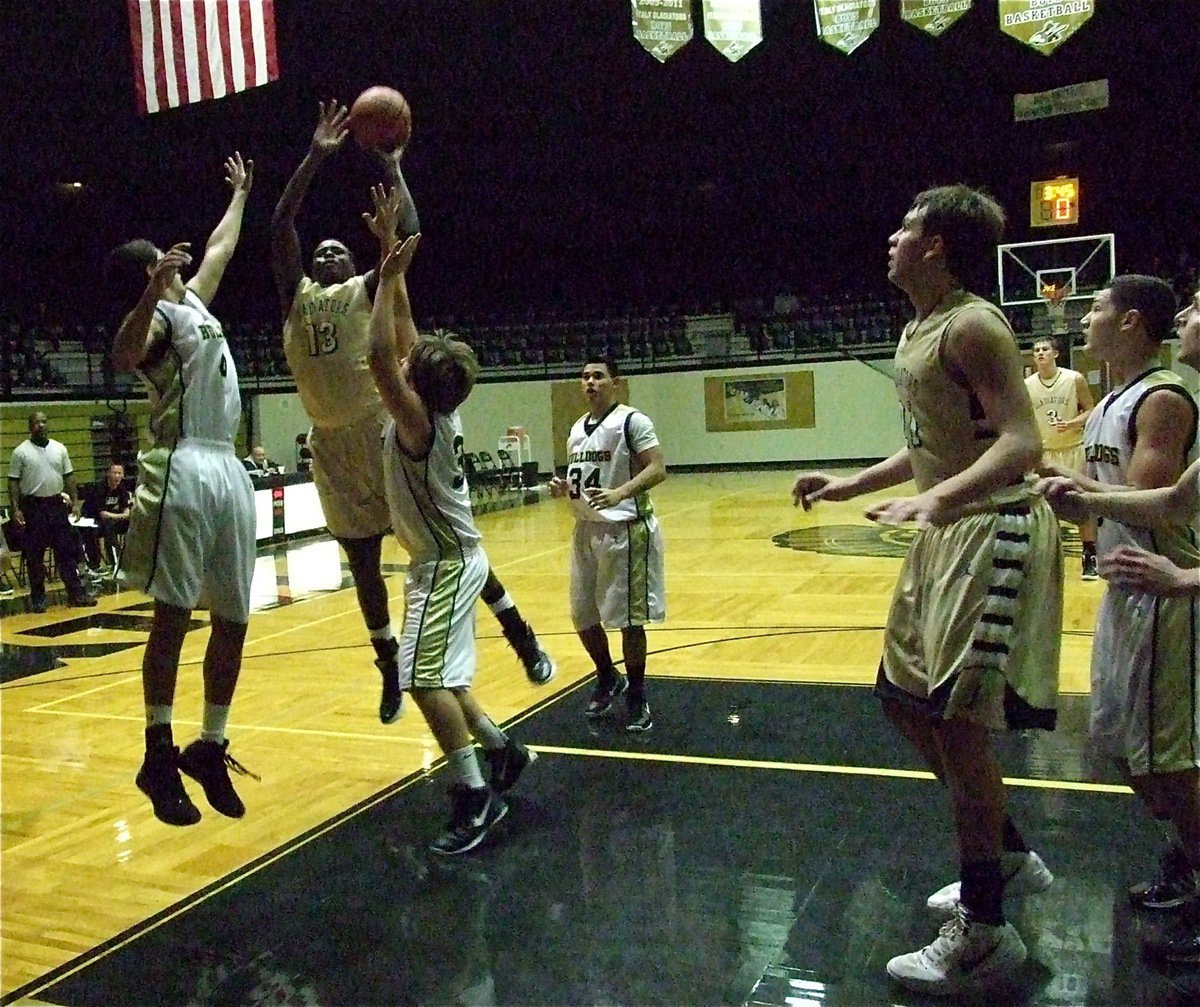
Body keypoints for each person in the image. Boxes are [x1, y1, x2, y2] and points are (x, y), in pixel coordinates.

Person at [792, 185, 1062, 996]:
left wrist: (940, 499)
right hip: (947, 532)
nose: (892, 235)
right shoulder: (919, 328)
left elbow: (1023, 438)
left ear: (938, 245)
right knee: (901, 698)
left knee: (959, 726)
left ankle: (984, 925)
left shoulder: (975, 324)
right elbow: (930, 445)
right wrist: (849, 483)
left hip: (993, 530)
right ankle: (1007, 852)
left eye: (906, 226)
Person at [271, 102, 553, 727]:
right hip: (329, 442)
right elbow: (281, 224)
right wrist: (316, 155)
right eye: (319, 253)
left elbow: (411, 238)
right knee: (363, 563)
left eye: (337, 252)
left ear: (355, 266)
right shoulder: (297, 299)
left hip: (383, 429)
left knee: (440, 543)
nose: (324, 257)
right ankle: (386, 665)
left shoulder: (367, 288)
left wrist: (394, 170)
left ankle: (518, 629)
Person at [1038, 275, 1199, 958]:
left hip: (1166, 596)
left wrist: (1080, 491)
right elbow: (1113, 503)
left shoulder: (1162, 398)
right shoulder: (1109, 399)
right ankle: (1187, 855)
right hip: (1127, 590)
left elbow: (1157, 500)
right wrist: (1074, 501)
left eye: (1097, 306)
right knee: (1131, 755)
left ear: (1131, 322)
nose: (1084, 315)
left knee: (1171, 763)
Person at [367, 233, 536, 855]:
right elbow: (408, 335)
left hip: (446, 565)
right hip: (447, 560)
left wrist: (384, 282)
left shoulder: (416, 421)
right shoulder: (441, 408)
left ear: (415, 383)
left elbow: (382, 354)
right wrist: (392, 256)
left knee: (419, 676)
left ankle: (471, 794)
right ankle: (503, 751)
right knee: (447, 679)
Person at [104, 152, 258, 827]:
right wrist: (147, 293)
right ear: (150, 271)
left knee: (235, 617)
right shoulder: (158, 319)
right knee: (172, 616)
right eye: (161, 267)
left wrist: (240, 195)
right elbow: (122, 355)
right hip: (182, 467)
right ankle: (157, 752)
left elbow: (222, 248)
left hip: (226, 466)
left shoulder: (192, 300)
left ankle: (210, 742)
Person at [548, 358, 667, 733]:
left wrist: (621, 493)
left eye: (598, 376)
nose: (590, 382)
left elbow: (657, 468)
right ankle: (607, 675)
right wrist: (564, 489)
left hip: (626, 530)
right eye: (584, 377)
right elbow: (581, 478)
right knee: (582, 616)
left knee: (628, 620)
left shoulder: (633, 421)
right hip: (585, 529)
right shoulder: (576, 430)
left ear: (615, 383)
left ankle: (637, 694)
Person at [1024, 335, 1098, 579]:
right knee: (1045, 510)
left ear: (1056, 353)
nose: (1040, 353)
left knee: (1081, 504)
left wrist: (1072, 423)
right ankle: (1049, 561)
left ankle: (1090, 557)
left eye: (1045, 349)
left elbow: (1091, 410)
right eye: (1036, 350)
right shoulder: (1027, 385)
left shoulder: (1073, 379)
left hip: (1072, 449)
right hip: (1044, 454)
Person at [7, 411, 96, 612]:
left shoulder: (59, 448)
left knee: (66, 551)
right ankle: (38, 598)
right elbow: (13, 482)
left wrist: (74, 502)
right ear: (30, 427)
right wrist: (16, 508)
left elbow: (69, 477)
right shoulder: (20, 452)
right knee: (35, 555)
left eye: (44, 421)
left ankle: (75, 594)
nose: (41, 425)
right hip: (33, 506)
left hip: (56, 504)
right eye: (36, 422)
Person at [80, 462, 131, 574]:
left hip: (113, 519)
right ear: (108, 474)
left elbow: (127, 511)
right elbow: (103, 514)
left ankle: (130, 561)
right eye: (115, 473)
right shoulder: (99, 488)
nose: (117, 476)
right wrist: (121, 515)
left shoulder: (122, 488)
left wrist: (120, 515)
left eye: (120, 473)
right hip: (94, 520)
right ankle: (106, 564)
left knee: (133, 524)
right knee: (104, 529)